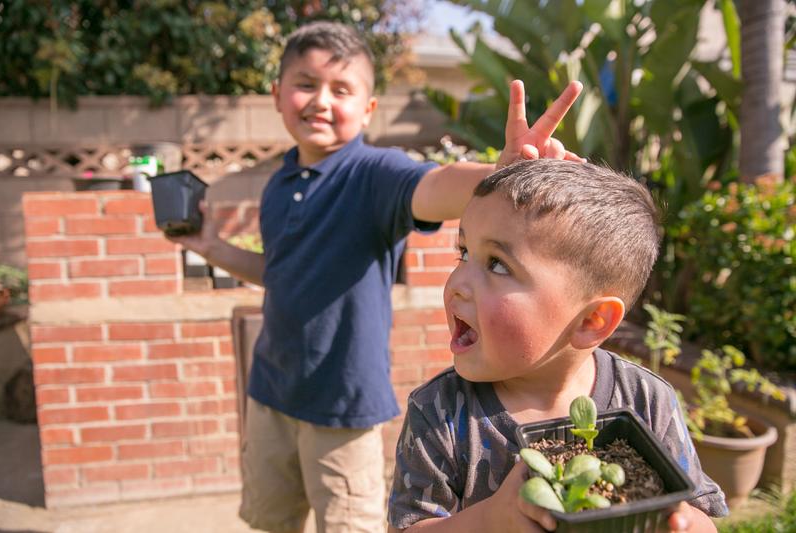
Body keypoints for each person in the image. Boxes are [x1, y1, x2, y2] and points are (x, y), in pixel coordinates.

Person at [167, 20, 582, 533]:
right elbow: (279, 274)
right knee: (270, 524)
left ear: (368, 109)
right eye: (305, 84)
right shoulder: (279, 183)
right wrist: (211, 247)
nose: (321, 101)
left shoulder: (372, 173)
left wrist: (499, 174)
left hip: (341, 409)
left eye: (341, 89)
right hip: (270, 393)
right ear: (277, 96)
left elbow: (434, 185)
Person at [387, 159, 729, 533]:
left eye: (497, 265)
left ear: (590, 322)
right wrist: (490, 519)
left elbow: (698, 510)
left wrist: (687, 523)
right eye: (464, 252)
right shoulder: (440, 412)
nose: (457, 282)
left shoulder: (646, 400)